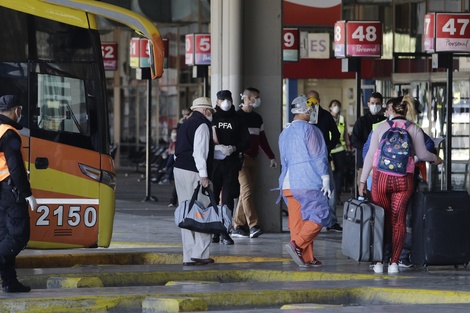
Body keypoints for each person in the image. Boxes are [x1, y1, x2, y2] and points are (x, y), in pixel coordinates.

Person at [359, 98, 442, 274]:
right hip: (403, 180)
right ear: (405, 111)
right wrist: (436, 159)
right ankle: (395, 263)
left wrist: (362, 180)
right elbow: (423, 154)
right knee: (398, 221)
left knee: (381, 219)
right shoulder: (414, 129)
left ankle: (379, 261)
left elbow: (370, 156)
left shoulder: (381, 128)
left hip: (381, 179)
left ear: (391, 110)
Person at [278, 95, 332, 267]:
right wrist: (325, 176)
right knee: (321, 214)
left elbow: (283, 159)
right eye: (312, 109)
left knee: (298, 223)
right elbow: (318, 156)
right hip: (306, 181)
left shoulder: (285, 131)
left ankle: (306, 257)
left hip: (288, 183)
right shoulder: (310, 130)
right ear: (306, 110)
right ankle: (297, 245)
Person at [0, 95, 37, 292]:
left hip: (1, 193)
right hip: (10, 191)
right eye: (19, 109)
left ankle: (9, 281)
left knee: (4, 236)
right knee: (19, 235)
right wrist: (27, 194)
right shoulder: (9, 133)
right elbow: (15, 168)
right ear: (16, 111)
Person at [173, 96, 215, 266]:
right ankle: (201, 253)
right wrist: (204, 176)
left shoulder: (185, 124)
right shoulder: (202, 125)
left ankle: (188, 255)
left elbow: (178, 150)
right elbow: (200, 153)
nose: (211, 113)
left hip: (179, 169)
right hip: (194, 172)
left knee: (186, 211)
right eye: (210, 111)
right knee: (202, 211)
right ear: (205, 110)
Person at [232, 87, 277, 239]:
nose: (258, 100)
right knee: (247, 192)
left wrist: (271, 156)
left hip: (253, 159)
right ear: (248, 98)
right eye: (256, 97)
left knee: (245, 193)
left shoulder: (258, 118)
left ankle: (237, 225)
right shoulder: (236, 117)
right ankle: (253, 225)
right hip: (240, 160)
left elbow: (262, 140)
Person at [211, 90, 251, 245]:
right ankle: (214, 229)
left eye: (228, 99)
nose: (225, 102)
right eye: (222, 99)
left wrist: (234, 148)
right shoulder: (212, 118)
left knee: (228, 198)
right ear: (217, 102)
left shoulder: (238, 119)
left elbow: (247, 141)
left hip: (231, 164)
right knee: (212, 197)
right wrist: (216, 148)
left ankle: (225, 230)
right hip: (214, 164)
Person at [306, 90, 342, 232]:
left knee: (330, 189)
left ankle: (331, 221)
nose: (313, 103)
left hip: (323, 158)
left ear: (319, 100)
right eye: (310, 100)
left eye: (315, 100)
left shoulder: (326, 116)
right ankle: (310, 219)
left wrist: (328, 148)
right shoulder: (305, 115)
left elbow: (336, 134)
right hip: (307, 160)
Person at [351, 92, 386, 197]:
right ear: (368, 103)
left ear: (381, 104)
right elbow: (355, 140)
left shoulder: (385, 121)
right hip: (364, 161)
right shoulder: (361, 121)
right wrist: (370, 149)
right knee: (363, 190)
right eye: (372, 103)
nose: (375, 105)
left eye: (377, 103)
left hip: (382, 163)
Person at [328, 99, 350, 205]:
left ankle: (337, 195)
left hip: (340, 149)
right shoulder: (327, 118)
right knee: (330, 173)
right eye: (334, 105)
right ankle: (330, 195)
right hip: (330, 149)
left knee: (339, 174)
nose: (336, 107)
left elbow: (345, 132)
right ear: (330, 108)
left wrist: (348, 143)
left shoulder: (341, 118)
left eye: (338, 105)